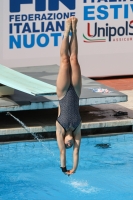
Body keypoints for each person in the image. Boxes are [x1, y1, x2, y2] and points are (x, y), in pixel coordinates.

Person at [56, 17, 82, 175]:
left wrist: (64, 168)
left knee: (65, 60)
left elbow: (62, 153)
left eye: (67, 145)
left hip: (63, 92)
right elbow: (76, 153)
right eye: (70, 145)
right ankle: (75, 31)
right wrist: (75, 169)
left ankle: (67, 31)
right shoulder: (77, 130)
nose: (69, 145)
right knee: (74, 60)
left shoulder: (60, 129)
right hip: (77, 92)